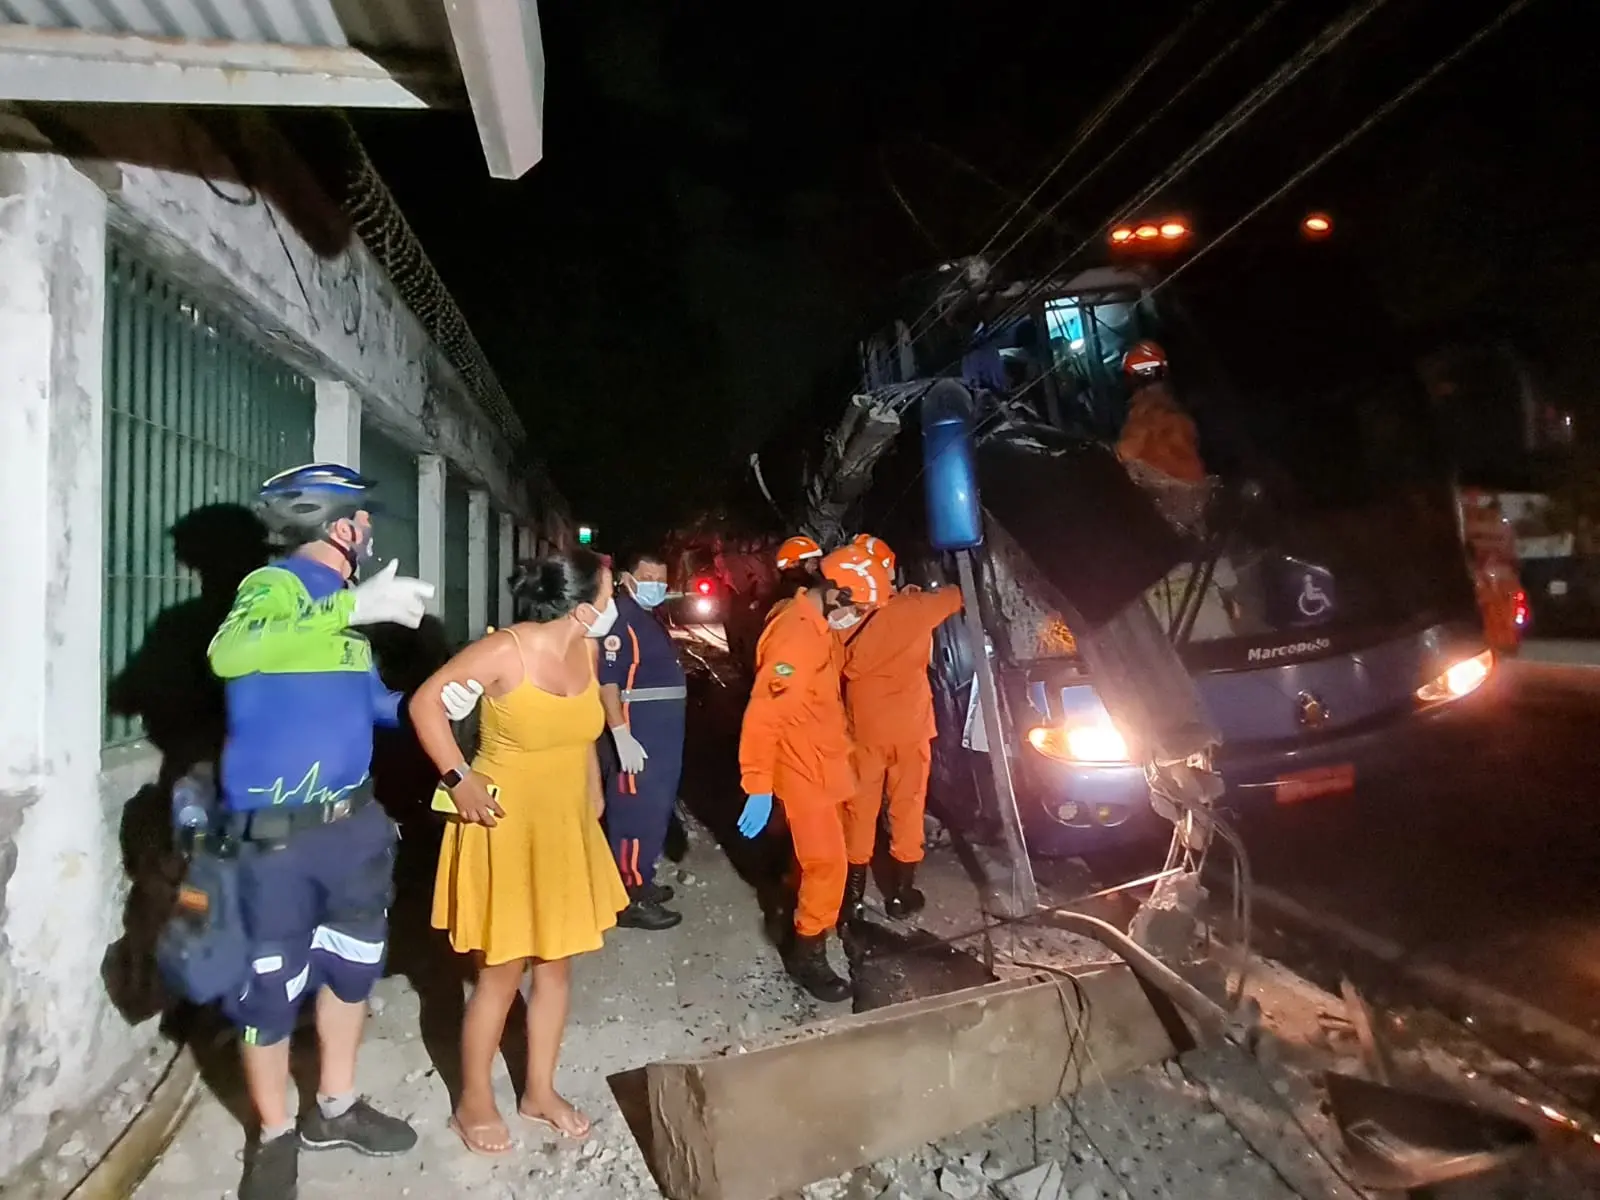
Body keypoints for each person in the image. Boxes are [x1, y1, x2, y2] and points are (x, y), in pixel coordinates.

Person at [207, 463, 436, 1200]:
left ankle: (332, 1108)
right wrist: (349, 608)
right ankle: (274, 1133)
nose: (369, 530)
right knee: (267, 998)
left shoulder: (344, 606)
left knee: (351, 973)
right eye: (362, 518)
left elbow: (375, 706)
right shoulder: (271, 587)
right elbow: (229, 654)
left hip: (353, 830)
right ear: (339, 527)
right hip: (276, 840)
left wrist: (443, 699)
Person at [409, 551, 629, 1156]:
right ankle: (473, 1101)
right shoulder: (505, 650)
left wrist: (593, 792)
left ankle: (539, 1091)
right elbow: (425, 703)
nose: (617, 603)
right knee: (500, 973)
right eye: (611, 593)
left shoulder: (584, 649)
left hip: (562, 826)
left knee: (556, 967)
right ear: (583, 605)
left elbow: (580, 734)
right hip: (502, 824)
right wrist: (459, 778)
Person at [734, 545, 866, 1003]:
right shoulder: (794, 635)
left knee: (826, 859)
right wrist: (757, 785)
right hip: (802, 768)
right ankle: (807, 951)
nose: (861, 615)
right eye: (859, 606)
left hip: (824, 761)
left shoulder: (817, 625)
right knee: (825, 862)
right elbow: (765, 715)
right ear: (834, 594)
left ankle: (818, 915)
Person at [834, 537, 965, 922]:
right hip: (910, 729)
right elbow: (960, 594)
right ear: (887, 569)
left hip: (863, 729)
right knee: (907, 806)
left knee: (859, 809)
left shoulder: (845, 616)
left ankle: (853, 896)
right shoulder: (916, 608)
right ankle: (900, 894)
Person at [597, 550, 687, 931]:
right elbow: (607, 683)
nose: (657, 587)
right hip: (640, 734)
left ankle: (641, 880)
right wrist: (620, 735)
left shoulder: (645, 617)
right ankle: (627, 896)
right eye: (649, 578)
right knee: (635, 814)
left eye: (662, 581)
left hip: (660, 736)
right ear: (627, 578)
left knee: (654, 812)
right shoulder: (621, 620)